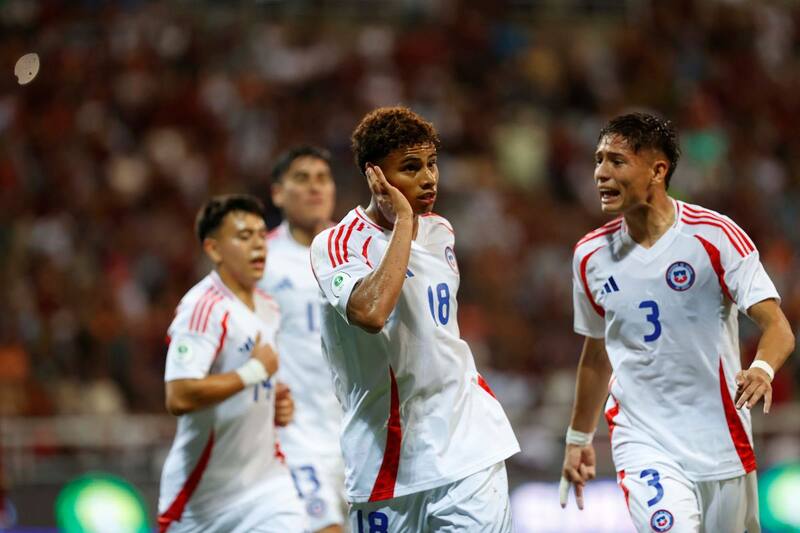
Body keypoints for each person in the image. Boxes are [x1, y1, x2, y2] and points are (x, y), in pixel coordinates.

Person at [560, 112, 795, 532]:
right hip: (642, 439)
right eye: (598, 160)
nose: (600, 173)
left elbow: (777, 326)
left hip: (720, 438)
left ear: (657, 169)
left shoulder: (715, 236)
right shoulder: (589, 256)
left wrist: (761, 369)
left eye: (616, 161)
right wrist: (578, 438)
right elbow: (597, 354)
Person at [309, 106, 520, 533]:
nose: (428, 178)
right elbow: (371, 312)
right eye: (410, 167)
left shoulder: (441, 231)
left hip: (467, 446)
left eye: (431, 164)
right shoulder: (335, 244)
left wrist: (410, 220)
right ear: (375, 177)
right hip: (385, 462)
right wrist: (403, 219)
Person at [157, 194, 308, 533]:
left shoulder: (269, 307)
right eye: (243, 237)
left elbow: (257, 382)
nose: (258, 245)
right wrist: (253, 373)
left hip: (266, 486)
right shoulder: (203, 308)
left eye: (260, 234)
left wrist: (274, 403)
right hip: (202, 502)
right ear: (213, 249)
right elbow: (179, 396)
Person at [259, 146, 348, 533]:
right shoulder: (258, 258)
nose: (314, 187)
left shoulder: (359, 251)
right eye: (301, 178)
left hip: (361, 430)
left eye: (322, 178)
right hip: (296, 434)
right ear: (278, 193)